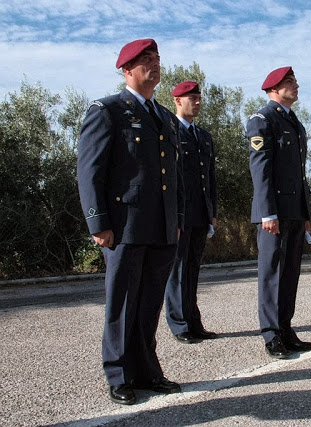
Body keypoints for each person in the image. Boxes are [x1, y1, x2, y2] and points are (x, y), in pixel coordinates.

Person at [77, 39, 184, 405]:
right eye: (145, 61)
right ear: (127, 70)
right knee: (122, 301)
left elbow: (175, 176)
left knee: (150, 301)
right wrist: (98, 223)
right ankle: (119, 375)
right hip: (125, 225)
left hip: (162, 225)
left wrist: (178, 219)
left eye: (156, 59)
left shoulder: (166, 117)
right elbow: (90, 172)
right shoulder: (107, 110)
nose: (154, 65)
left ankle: (147, 370)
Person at [247, 66, 311, 359]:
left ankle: (286, 329)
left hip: (294, 210)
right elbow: (260, 170)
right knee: (272, 273)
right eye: (290, 82)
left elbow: (299, 174)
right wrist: (267, 212)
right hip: (273, 212)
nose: (296, 85)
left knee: (290, 273)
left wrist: (306, 211)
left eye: (296, 81)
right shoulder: (262, 120)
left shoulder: (294, 123)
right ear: (273, 88)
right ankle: (272, 334)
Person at [164, 81, 218, 343]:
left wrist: (212, 210)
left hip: (199, 211)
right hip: (179, 213)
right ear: (178, 101)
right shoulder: (169, 131)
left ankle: (194, 322)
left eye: (199, 98)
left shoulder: (203, 136)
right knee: (177, 269)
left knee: (193, 268)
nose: (197, 102)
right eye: (191, 98)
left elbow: (210, 177)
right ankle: (179, 324)